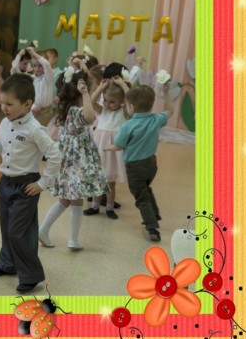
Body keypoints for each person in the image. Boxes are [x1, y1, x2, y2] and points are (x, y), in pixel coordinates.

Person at [0, 74, 62, 294]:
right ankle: (7, 263)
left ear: (27, 104)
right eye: (2, 102)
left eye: (9, 104)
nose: (4, 108)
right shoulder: (5, 123)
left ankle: (31, 276)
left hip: (26, 186)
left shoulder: (35, 129)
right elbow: (1, 147)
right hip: (6, 183)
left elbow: (55, 155)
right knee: (6, 227)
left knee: (18, 232)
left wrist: (43, 183)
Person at [38, 71, 109, 250]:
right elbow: (89, 116)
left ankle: (45, 230)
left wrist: (98, 90)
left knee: (66, 200)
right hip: (77, 164)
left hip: (68, 164)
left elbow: (88, 106)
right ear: (80, 93)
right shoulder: (78, 112)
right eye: (87, 91)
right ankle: (72, 239)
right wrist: (86, 93)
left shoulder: (67, 109)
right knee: (75, 200)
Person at [105, 83, 174, 242]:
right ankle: (154, 214)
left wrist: (107, 147)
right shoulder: (156, 119)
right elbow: (171, 110)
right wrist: (166, 92)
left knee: (141, 197)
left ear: (131, 106)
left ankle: (152, 227)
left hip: (135, 168)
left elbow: (118, 146)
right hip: (151, 165)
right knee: (145, 188)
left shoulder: (127, 126)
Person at [83, 77, 129, 219]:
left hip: (113, 153)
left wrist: (122, 84)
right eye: (106, 100)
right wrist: (101, 88)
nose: (108, 104)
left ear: (122, 101)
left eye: (112, 102)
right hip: (99, 150)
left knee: (110, 183)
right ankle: (94, 206)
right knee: (98, 180)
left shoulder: (124, 112)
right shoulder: (102, 110)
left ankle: (109, 207)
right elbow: (90, 102)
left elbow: (131, 100)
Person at [29, 47, 55, 127]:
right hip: (32, 111)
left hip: (46, 112)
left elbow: (46, 64)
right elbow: (28, 96)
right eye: (35, 65)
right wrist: (33, 107)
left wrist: (34, 53)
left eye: (40, 65)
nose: (37, 68)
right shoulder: (31, 78)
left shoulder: (48, 77)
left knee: (43, 131)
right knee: (32, 131)